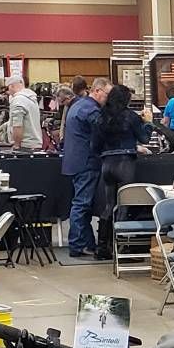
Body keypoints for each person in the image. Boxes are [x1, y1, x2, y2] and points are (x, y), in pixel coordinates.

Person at [92, 84, 151, 255]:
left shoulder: (100, 117)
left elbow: (94, 146)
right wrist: (148, 123)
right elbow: (144, 138)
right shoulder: (130, 116)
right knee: (124, 205)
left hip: (107, 163)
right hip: (125, 163)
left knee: (109, 205)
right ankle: (122, 248)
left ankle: (102, 247)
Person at [60, 77, 109, 258]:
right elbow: (102, 133)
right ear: (97, 91)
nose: (108, 98)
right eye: (107, 94)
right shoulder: (91, 110)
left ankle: (87, 243)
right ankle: (77, 244)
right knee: (81, 204)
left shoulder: (78, 105)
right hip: (86, 162)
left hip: (74, 161)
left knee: (83, 204)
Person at [7, 75, 43, 152]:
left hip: (24, 146)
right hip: (35, 143)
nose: (8, 91)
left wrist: (16, 145)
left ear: (11, 86)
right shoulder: (32, 98)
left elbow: (17, 126)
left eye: (8, 88)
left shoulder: (18, 100)